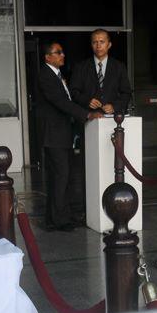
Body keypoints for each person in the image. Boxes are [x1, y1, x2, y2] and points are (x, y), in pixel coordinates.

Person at [34, 41, 101, 231]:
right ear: (48, 57)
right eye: (58, 52)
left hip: (61, 134)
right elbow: (60, 102)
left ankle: (56, 217)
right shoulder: (46, 75)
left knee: (61, 177)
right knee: (61, 177)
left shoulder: (57, 75)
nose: (62, 55)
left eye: (62, 52)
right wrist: (86, 114)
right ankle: (59, 220)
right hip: (53, 135)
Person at [70, 29, 133, 115]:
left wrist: (114, 106)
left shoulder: (119, 67)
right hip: (89, 118)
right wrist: (87, 101)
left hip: (113, 119)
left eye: (102, 42)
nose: (98, 46)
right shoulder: (80, 67)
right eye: (95, 42)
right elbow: (74, 92)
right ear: (91, 45)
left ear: (109, 45)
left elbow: (126, 92)